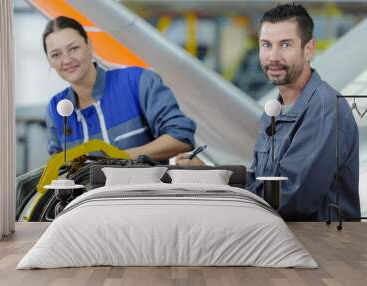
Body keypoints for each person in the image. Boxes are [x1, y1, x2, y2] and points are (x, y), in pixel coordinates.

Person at [176, 3, 360, 221]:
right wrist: (208, 173)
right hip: (284, 241)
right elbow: (260, 179)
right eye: (266, 45)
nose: (273, 56)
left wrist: (216, 188)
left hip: (319, 248)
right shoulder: (276, 110)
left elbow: (289, 200)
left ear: (308, 49)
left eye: (285, 45)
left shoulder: (323, 110)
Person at [43, 16, 196, 161]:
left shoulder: (137, 81)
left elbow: (181, 137)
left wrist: (120, 157)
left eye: (74, 48)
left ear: (89, 45)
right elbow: (59, 168)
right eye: (56, 54)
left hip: (142, 188)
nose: (67, 60)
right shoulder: (56, 108)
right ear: (49, 61)